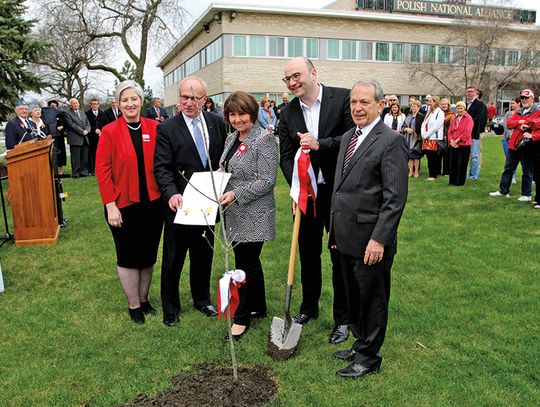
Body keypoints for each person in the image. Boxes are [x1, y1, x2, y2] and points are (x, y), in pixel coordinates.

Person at [330, 79, 408, 379]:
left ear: (380, 104)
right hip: (346, 236)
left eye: (364, 102)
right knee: (355, 298)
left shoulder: (391, 141)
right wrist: (334, 230)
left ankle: (369, 359)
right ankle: (360, 343)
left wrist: (379, 240)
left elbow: (395, 198)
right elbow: (340, 189)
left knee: (372, 300)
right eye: (353, 102)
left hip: (371, 241)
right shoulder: (350, 135)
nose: (358, 108)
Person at [279, 57, 354, 344]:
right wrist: (298, 185)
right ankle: (308, 308)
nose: (292, 82)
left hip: (338, 195)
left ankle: (343, 318)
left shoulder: (342, 98)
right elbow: (286, 155)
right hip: (306, 197)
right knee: (308, 256)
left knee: (340, 258)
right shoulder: (287, 113)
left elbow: (349, 141)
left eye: (296, 76)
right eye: (287, 79)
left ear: (313, 73)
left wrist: (319, 144)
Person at [154, 76, 227, 326]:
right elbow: (162, 167)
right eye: (184, 97)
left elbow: (222, 158)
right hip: (180, 204)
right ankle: (171, 308)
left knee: (203, 254)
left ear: (204, 100)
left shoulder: (217, 123)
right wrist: (171, 193)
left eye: (194, 98)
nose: (188, 102)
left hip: (207, 202)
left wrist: (221, 171)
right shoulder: (167, 128)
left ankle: (202, 299)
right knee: (174, 258)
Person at [95, 80, 164, 324]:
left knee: (148, 254)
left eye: (134, 98)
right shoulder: (110, 131)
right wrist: (110, 205)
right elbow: (102, 170)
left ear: (141, 100)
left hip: (154, 204)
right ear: (118, 103)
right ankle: (133, 305)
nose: (130, 103)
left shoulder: (154, 127)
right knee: (128, 255)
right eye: (125, 100)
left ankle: (144, 300)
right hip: (122, 205)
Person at [218, 91, 278, 340]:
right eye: (232, 114)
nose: (237, 119)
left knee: (246, 264)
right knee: (250, 262)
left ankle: (241, 318)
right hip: (235, 213)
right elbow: (228, 167)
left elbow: (268, 180)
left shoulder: (263, 139)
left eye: (242, 113)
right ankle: (258, 307)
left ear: (252, 113)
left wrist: (235, 194)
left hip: (254, 213)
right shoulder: (232, 138)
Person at [490, 89, 537, 201]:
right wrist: (520, 122)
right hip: (513, 145)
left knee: (527, 170)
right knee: (508, 169)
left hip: (526, 145)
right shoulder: (519, 111)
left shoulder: (536, 111)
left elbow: (533, 124)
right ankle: (503, 190)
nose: (524, 100)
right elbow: (509, 123)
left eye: (527, 97)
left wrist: (523, 122)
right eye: (523, 98)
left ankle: (526, 194)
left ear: (532, 98)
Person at [447, 101, 473, 186]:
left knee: (461, 164)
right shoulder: (455, 118)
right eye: (458, 108)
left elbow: (467, 132)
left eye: (461, 108)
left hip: (463, 144)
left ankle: (459, 182)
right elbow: (450, 131)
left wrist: (457, 141)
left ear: (464, 108)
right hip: (454, 144)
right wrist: (451, 141)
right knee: (453, 164)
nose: (459, 110)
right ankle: (452, 181)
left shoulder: (468, 118)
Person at [64, 98, 91, 178]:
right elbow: (71, 125)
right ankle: (76, 173)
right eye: (74, 103)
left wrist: (87, 130)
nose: (76, 105)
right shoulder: (67, 113)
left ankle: (84, 172)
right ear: (71, 105)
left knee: (84, 157)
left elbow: (87, 123)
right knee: (75, 158)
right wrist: (82, 131)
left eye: (77, 103)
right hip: (75, 138)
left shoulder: (82, 113)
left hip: (85, 138)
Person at [466, 86, 488, 180]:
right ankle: (466, 173)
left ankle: (474, 175)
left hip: (475, 133)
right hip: (466, 134)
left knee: (474, 155)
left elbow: (480, 119)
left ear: (475, 93)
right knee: (466, 155)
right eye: (468, 92)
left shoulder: (480, 104)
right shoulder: (466, 104)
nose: (469, 93)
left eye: (471, 92)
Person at [421, 95, 444, 180]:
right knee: (428, 157)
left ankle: (433, 175)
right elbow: (424, 124)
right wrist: (423, 134)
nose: (429, 103)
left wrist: (426, 135)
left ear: (435, 102)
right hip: (427, 138)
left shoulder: (440, 112)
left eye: (430, 101)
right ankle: (431, 174)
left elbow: (436, 126)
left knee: (433, 157)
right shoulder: (429, 112)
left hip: (434, 138)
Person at [42, 99, 66, 174]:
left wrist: (62, 126)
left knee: (61, 153)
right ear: (48, 106)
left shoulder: (60, 114)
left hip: (60, 136)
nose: (54, 107)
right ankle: (52, 169)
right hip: (51, 136)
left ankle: (61, 170)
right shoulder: (45, 114)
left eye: (56, 106)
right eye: (52, 106)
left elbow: (66, 122)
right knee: (53, 153)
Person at [402, 99, 424, 177]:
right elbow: (403, 126)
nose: (413, 108)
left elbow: (422, 128)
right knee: (410, 156)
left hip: (416, 138)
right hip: (408, 138)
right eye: (412, 106)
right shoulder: (409, 116)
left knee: (416, 156)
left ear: (418, 107)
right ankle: (411, 171)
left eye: (414, 106)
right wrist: (406, 129)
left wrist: (414, 131)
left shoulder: (421, 117)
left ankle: (416, 172)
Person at [501, 98, 521, 184]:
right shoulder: (508, 113)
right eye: (511, 103)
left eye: (513, 103)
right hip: (506, 139)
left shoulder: (521, 113)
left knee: (515, 158)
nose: (511, 105)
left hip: (517, 140)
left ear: (518, 103)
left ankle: (513, 175)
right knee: (509, 158)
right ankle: (510, 175)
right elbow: (505, 125)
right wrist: (510, 136)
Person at [85, 98, 107, 176]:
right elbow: (86, 125)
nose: (94, 105)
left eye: (96, 104)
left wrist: (101, 131)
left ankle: (100, 169)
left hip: (101, 137)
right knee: (91, 154)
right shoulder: (87, 114)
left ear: (98, 105)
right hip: (91, 137)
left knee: (101, 154)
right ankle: (91, 169)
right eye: (93, 104)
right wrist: (94, 130)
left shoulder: (102, 113)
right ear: (90, 105)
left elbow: (106, 124)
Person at [439, 98, 455, 176]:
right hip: (438, 136)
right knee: (438, 154)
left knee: (446, 155)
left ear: (448, 105)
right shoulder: (437, 113)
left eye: (445, 104)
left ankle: (446, 172)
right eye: (442, 104)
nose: (444, 106)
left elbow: (452, 126)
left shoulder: (451, 114)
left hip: (447, 136)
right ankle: (437, 171)